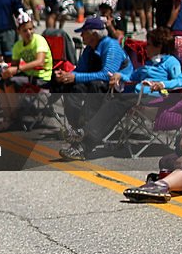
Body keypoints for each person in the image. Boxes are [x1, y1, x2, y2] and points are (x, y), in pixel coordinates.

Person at [61, 27, 182, 161]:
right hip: (136, 98)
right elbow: (131, 77)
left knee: (117, 103)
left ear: (159, 46)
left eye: (148, 44)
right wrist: (119, 75)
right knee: (107, 99)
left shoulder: (171, 62)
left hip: (156, 101)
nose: (145, 47)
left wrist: (162, 84)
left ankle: (83, 132)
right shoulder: (149, 64)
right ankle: (82, 147)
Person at [52, 16, 132, 156]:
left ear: (94, 34)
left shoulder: (111, 46)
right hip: (98, 84)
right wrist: (66, 75)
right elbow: (80, 71)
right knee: (71, 87)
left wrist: (75, 77)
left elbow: (106, 75)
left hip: (117, 87)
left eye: (84, 32)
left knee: (96, 86)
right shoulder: (89, 49)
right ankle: (77, 129)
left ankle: (84, 135)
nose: (81, 34)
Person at [0, 9, 53, 132]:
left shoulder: (39, 40)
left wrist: (17, 69)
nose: (28, 32)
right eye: (25, 30)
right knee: (1, 83)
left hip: (42, 77)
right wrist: (6, 70)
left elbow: (40, 61)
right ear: (19, 31)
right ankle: (8, 117)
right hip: (28, 76)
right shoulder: (18, 46)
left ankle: (14, 118)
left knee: (10, 83)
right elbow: (13, 66)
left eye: (31, 29)